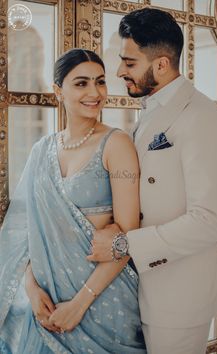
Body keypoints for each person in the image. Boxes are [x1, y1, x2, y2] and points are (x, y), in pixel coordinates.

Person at [87, 8, 217, 354]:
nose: (120, 71)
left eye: (129, 62)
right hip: (141, 285)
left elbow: (210, 222)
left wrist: (125, 245)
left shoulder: (203, 119)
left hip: (179, 295)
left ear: (162, 65)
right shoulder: (153, 108)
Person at [0, 48, 147, 353]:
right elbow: (27, 233)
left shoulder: (116, 144)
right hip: (46, 306)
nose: (95, 92)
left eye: (101, 82)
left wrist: (79, 305)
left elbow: (127, 237)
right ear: (58, 91)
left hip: (104, 305)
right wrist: (31, 288)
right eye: (81, 83)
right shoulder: (41, 150)